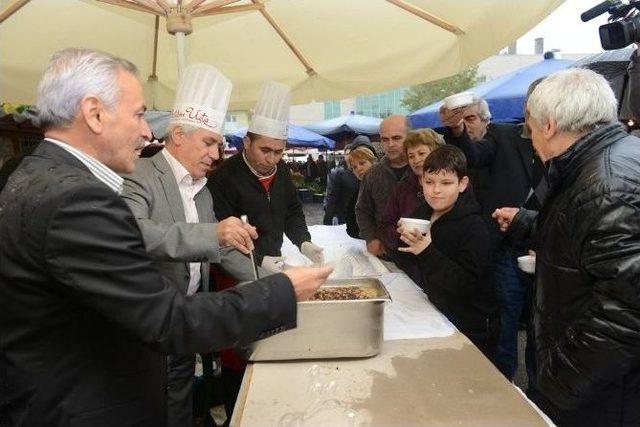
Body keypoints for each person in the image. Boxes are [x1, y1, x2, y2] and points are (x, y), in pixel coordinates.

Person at [0, 48, 332, 426]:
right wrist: (281, 291)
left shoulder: (38, 175)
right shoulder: (75, 197)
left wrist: (266, 269)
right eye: (139, 114)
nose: (146, 130)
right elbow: (165, 319)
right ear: (94, 114)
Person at [493, 68, 640, 426]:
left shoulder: (606, 184)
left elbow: (624, 313)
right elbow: (583, 235)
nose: (529, 137)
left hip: (604, 394)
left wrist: (556, 386)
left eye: (529, 126)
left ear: (549, 125)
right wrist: (527, 223)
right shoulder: (606, 161)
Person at [120, 63, 257, 427]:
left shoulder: (203, 192)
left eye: (219, 144)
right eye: (209, 143)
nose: (216, 155)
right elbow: (134, 234)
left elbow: (221, 250)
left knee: (180, 402)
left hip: (186, 323)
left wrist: (270, 276)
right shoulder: (138, 176)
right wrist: (215, 235)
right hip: (145, 329)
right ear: (177, 135)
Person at [440, 90, 545, 384]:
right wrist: (457, 129)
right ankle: (503, 387)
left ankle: (539, 394)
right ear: (526, 106)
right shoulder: (503, 135)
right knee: (506, 322)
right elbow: (473, 155)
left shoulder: (564, 143)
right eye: (531, 105)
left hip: (548, 247)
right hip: (506, 247)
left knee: (542, 328)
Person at [209, 81, 324, 271]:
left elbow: (293, 212)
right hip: (236, 268)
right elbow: (220, 234)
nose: (272, 159)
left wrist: (304, 242)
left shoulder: (282, 171)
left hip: (274, 260)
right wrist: (258, 260)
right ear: (247, 142)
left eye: (279, 152)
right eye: (265, 150)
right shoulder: (223, 178)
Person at [398, 145, 498, 361]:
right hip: (436, 312)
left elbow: (467, 284)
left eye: (446, 183)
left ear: (462, 184)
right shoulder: (423, 213)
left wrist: (426, 251)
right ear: (421, 181)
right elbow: (407, 258)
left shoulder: (474, 227)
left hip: (470, 326)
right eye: (429, 182)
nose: (436, 190)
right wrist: (404, 239)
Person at [379, 128, 444, 255]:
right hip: (408, 262)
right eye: (411, 156)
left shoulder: (452, 184)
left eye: (421, 153)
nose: (416, 160)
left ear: (436, 153)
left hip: (443, 260)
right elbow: (385, 225)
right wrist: (401, 235)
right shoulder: (403, 187)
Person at [355, 115, 410, 256]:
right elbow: (362, 209)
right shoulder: (372, 174)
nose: (390, 144)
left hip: (421, 256)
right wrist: (371, 239)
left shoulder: (423, 170)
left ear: (410, 137)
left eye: (396, 138)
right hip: (386, 255)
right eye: (385, 139)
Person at [344, 138, 377, 239]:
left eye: (362, 163)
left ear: (373, 162)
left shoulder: (381, 185)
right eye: (354, 167)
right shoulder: (360, 188)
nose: (359, 169)